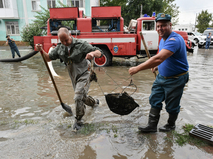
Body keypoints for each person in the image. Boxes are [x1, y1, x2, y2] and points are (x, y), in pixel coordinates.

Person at [129, 13, 189, 133]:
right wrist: (157, 66)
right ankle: (152, 126)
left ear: (170, 25)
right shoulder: (163, 39)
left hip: (175, 79)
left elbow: (158, 58)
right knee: (154, 99)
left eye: (163, 26)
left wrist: (137, 68)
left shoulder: (174, 40)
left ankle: (171, 125)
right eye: (158, 26)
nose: (160, 29)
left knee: (171, 105)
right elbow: (164, 58)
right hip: (162, 77)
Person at [35, 27, 103, 130]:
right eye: (62, 41)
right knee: (81, 96)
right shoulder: (59, 48)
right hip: (73, 74)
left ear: (70, 35)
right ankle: (94, 103)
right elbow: (48, 58)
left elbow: (99, 52)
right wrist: (41, 50)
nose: (65, 43)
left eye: (66, 40)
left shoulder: (81, 44)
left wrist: (92, 54)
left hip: (85, 72)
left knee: (77, 96)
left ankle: (79, 120)